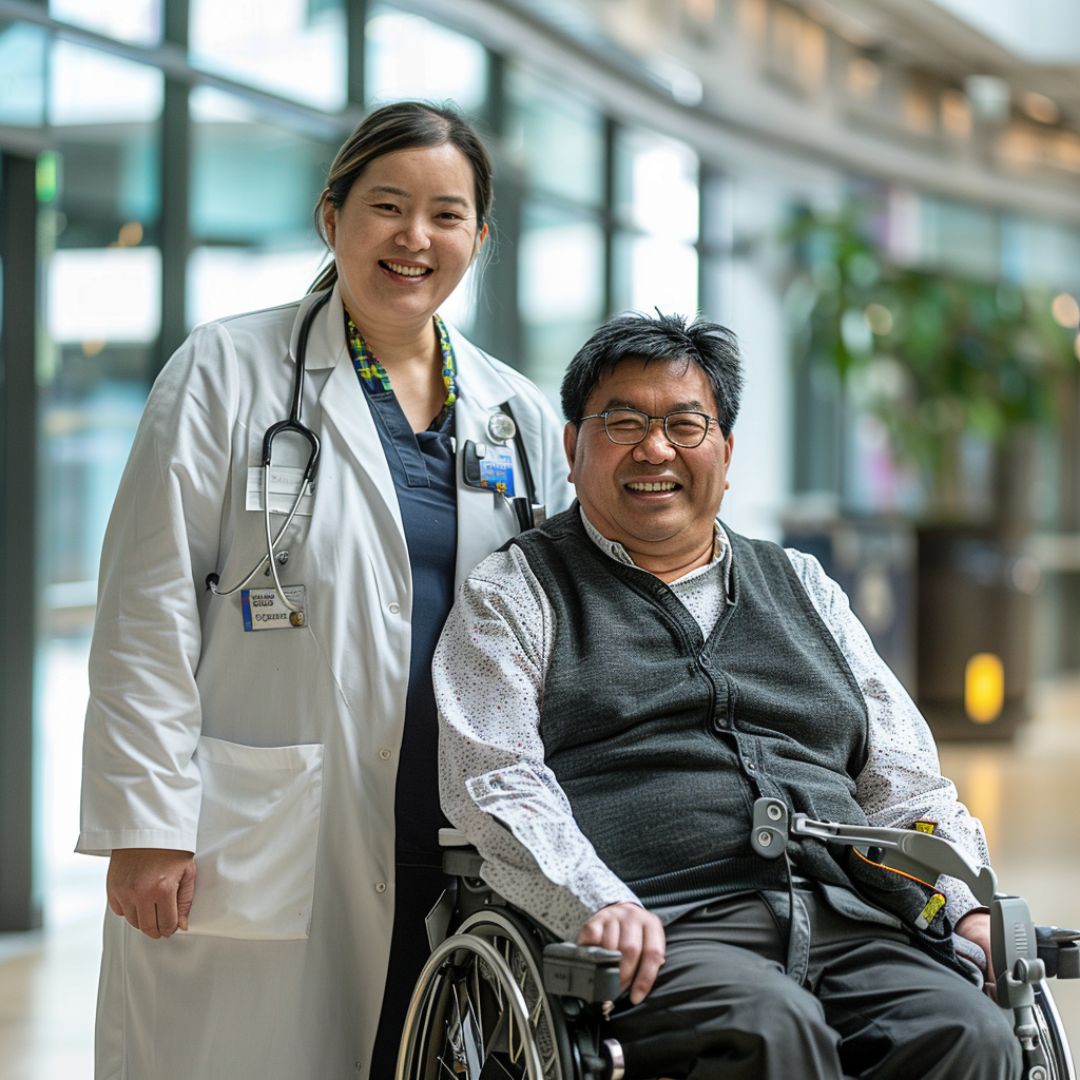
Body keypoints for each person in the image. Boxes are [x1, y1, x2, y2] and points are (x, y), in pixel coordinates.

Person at [77, 101, 571, 1080]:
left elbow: (554, 622)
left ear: (481, 234)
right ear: (330, 216)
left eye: (446, 213)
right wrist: (146, 825)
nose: (414, 238)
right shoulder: (224, 372)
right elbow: (147, 607)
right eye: (387, 206)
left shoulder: (515, 412)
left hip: (457, 825)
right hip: (272, 823)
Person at [435, 311, 1022, 1079]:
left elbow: (900, 773)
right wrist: (594, 903)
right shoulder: (516, 592)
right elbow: (493, 777)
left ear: (726, 451)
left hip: (850, 914)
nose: (656, 448)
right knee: (769, 1032)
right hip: (666, 924)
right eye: (622, 421)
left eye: (685, 423)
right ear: (574, 448)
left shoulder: (803, 585)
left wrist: (965, 899)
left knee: (967, 1032)